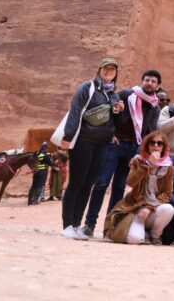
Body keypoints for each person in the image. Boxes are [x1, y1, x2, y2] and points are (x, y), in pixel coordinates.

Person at [82, 68, 161, 238]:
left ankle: (108, 227)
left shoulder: (155, 106)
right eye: (147, 80)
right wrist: (110, 134)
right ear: (142, 81)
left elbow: (151, 131)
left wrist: (142, 153)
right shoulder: (127, 94)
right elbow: (110, 112)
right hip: (115, 145)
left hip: (133, 149)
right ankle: (89, 224)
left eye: (153, 81)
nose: (149, 83)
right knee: (102, 183)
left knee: (119, 188)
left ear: (158, 86)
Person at [60, 58, 121, 238]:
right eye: (106, 68)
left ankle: (77, 225)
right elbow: (75, 111)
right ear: (99, 69)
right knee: (76, 183)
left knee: (88, 184)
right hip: (83, 140)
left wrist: (118, 112)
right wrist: (68, 137)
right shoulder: (87, 87)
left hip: (102, 143)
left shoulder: (113, 94)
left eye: (113, 69)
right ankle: (67, 225)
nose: (109, 71)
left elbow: (112, 119)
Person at [103, 132, 174, 245]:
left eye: (159, 143)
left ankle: (155, 235)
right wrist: (148, 164)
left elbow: (167, 193)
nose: (156, 146)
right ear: (147, 146)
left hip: (153, 209)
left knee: (169, 209)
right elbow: (130, 182)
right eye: (152, 143)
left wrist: (149, 207)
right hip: (136, 208)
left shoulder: (169, 167)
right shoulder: (137, 161)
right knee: (134, 240)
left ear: (164, 147)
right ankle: (142, 233)